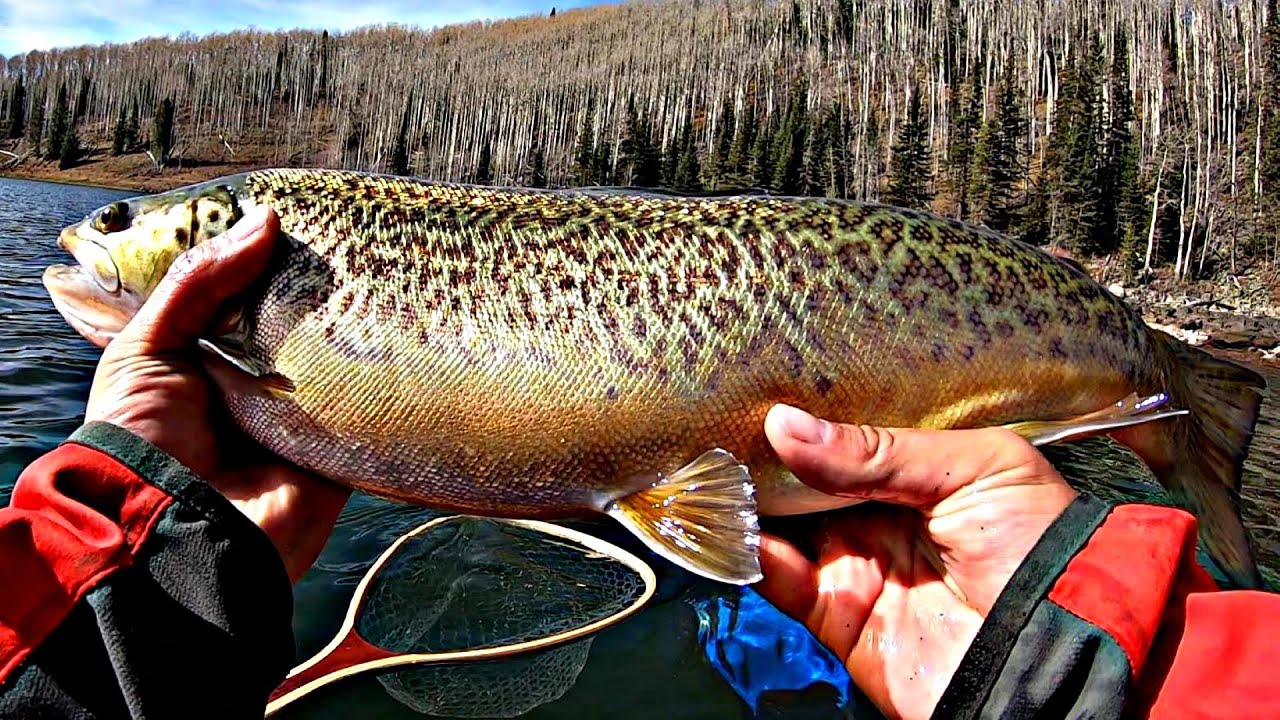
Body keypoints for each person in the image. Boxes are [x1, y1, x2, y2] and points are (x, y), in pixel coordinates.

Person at [0, 210, 1276, 719]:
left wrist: (134, 539)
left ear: (216, 242)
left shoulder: (256, 259)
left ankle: (1162, 397)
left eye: (119, 226)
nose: (94, 244)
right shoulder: (252, 329)